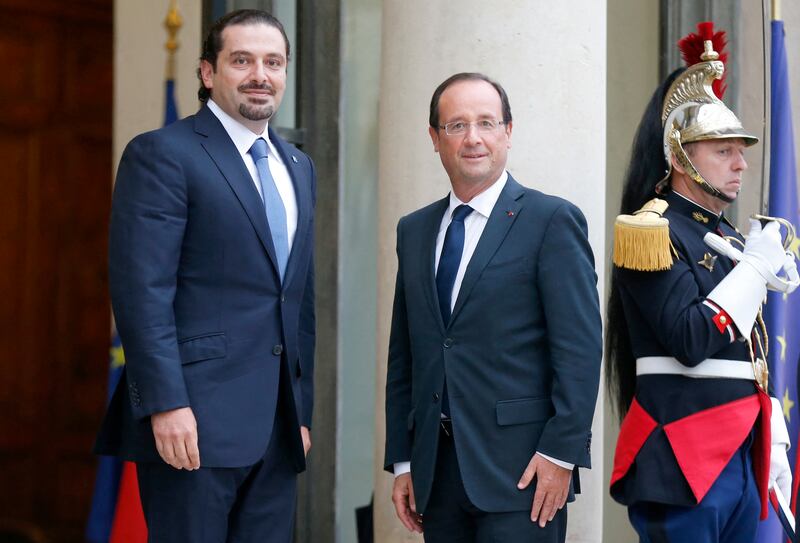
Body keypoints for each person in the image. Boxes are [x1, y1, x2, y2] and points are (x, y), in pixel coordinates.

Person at [94, 9, 316, 542]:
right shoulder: (162, 154)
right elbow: (141, 290)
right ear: (207, 73)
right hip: (191, 422)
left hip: (276, 430)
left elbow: (297, 300)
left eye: (273, 62)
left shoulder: (298, 166)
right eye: (242, 60)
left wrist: (299, 412)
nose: (260, 75)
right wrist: (166, 403)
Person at [383, 72, 602, 542]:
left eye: (486, 122)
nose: (473, 138)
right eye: (457, 125)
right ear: (434, 138)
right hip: (436, 477)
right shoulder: (414, 230)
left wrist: (561, 455)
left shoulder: (550, 221)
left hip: (524, 473)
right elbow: (407, 355)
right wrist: (403, 459)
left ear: (508, 131)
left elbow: (580, 350)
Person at [607, 23, 796, 542]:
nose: (741, 164)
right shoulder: (651, 230)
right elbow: (691, 340)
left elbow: (749, 356)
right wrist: (754, 270)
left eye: (741, 150)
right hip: (682, 455)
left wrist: (771, 432)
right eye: (723, 151)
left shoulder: (728, 237)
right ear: (680, 157)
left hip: (742, 448)